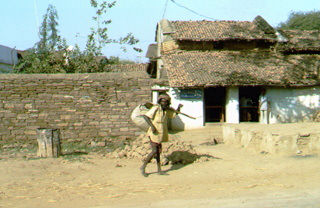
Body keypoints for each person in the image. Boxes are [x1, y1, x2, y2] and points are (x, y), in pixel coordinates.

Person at [140, 94, 182, 177]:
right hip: (154, 132)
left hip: (161, 133)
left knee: (158, 152)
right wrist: (152, 126)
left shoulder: (166, 110)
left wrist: (179, 107)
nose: (164, 103)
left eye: (166, 102)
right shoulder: (156, 108)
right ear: (160, 101)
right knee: (154, 151)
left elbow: (174, 114)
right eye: (163, 101)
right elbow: (146, 117)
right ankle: (143, 166)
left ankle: (159, 170)